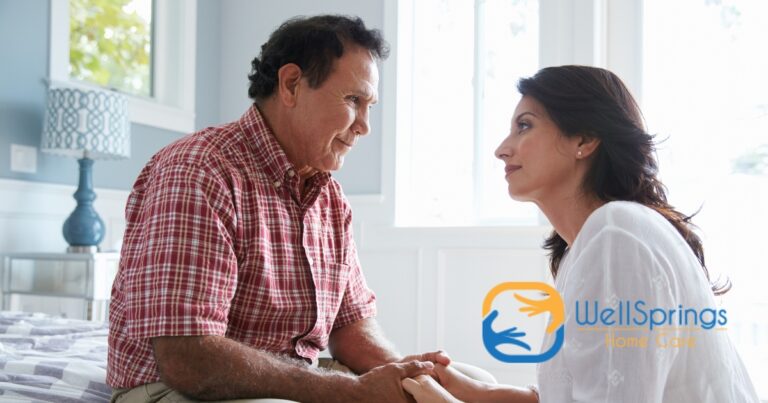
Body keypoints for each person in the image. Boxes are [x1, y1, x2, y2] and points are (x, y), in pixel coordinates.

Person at [107, 15, 450, 403]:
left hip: (288, 381)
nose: (365, 126)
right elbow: (188, 358)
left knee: (457, 380)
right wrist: (349, 391)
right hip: (171, 388)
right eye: (354, 100)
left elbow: (351, 326)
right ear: (291, 85)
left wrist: (407, 377)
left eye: (369, 105)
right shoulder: (200, 171)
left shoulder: (329, 198)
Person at [401, 65, 759, 402]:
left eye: (524, 126)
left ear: (584, 140)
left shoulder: (617, 236)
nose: (502, 149)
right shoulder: (594, 242)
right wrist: (480, 393)